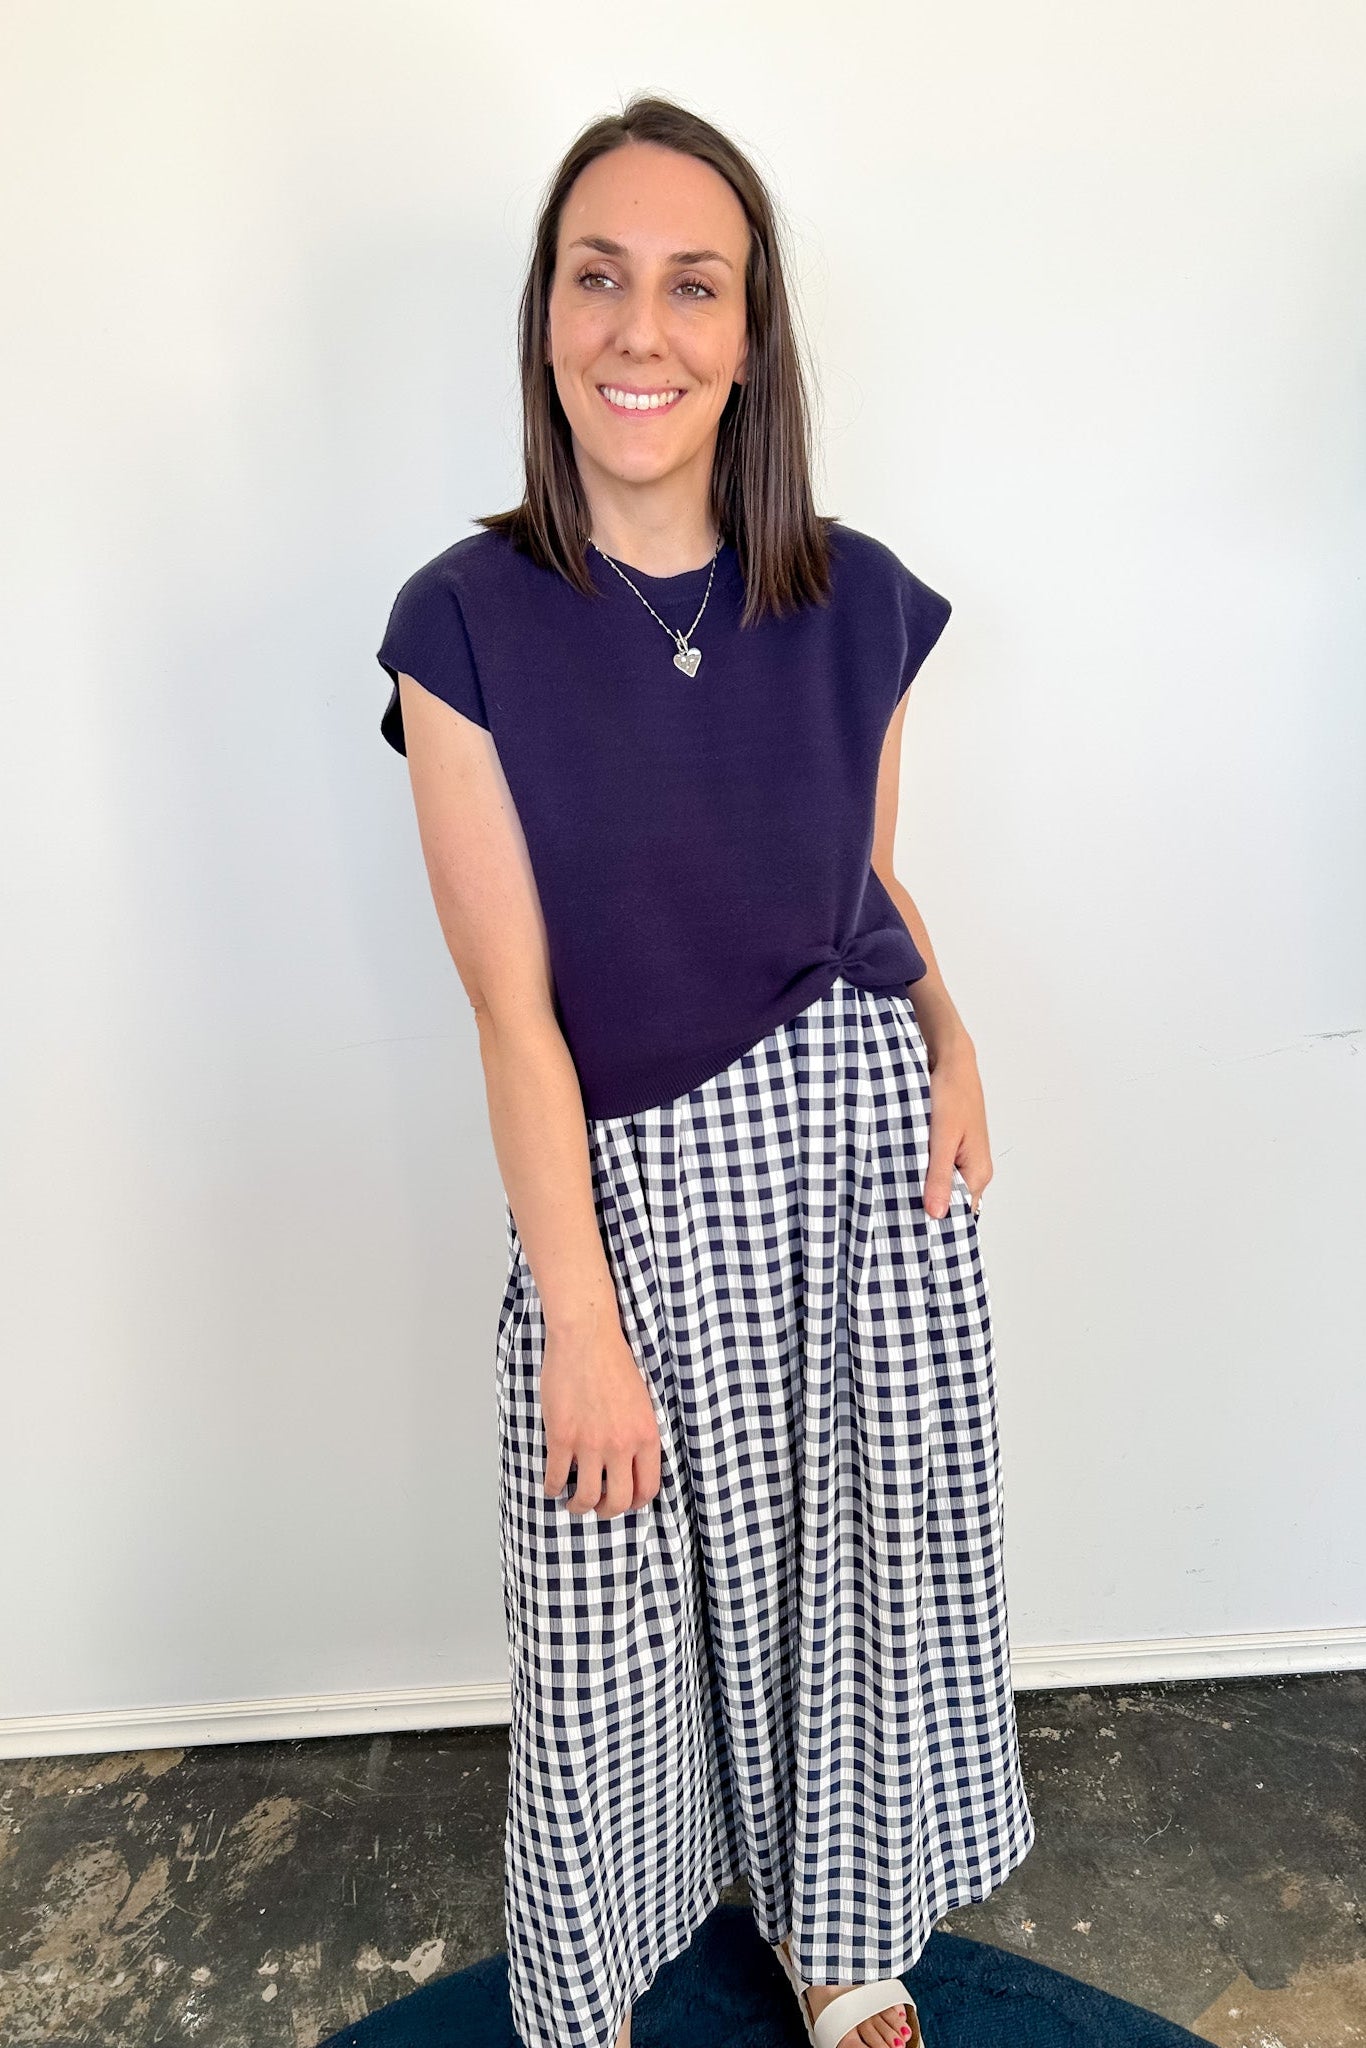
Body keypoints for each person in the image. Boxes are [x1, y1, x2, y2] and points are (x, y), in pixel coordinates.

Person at [376, 93, 1034, 2048]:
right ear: (546, 316)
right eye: (599, 279)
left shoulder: (851, 596)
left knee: (847, 1590)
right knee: (603, 1632)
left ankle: (844, 1946)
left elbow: (863, 876)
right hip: (629, 1194)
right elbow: (512, 1010)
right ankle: (588, 1993)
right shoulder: (465, 624)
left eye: (691, 285)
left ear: (748, 338)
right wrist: (575, 1308)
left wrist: (946, 1018)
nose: (638, 330)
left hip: (853, 1165)